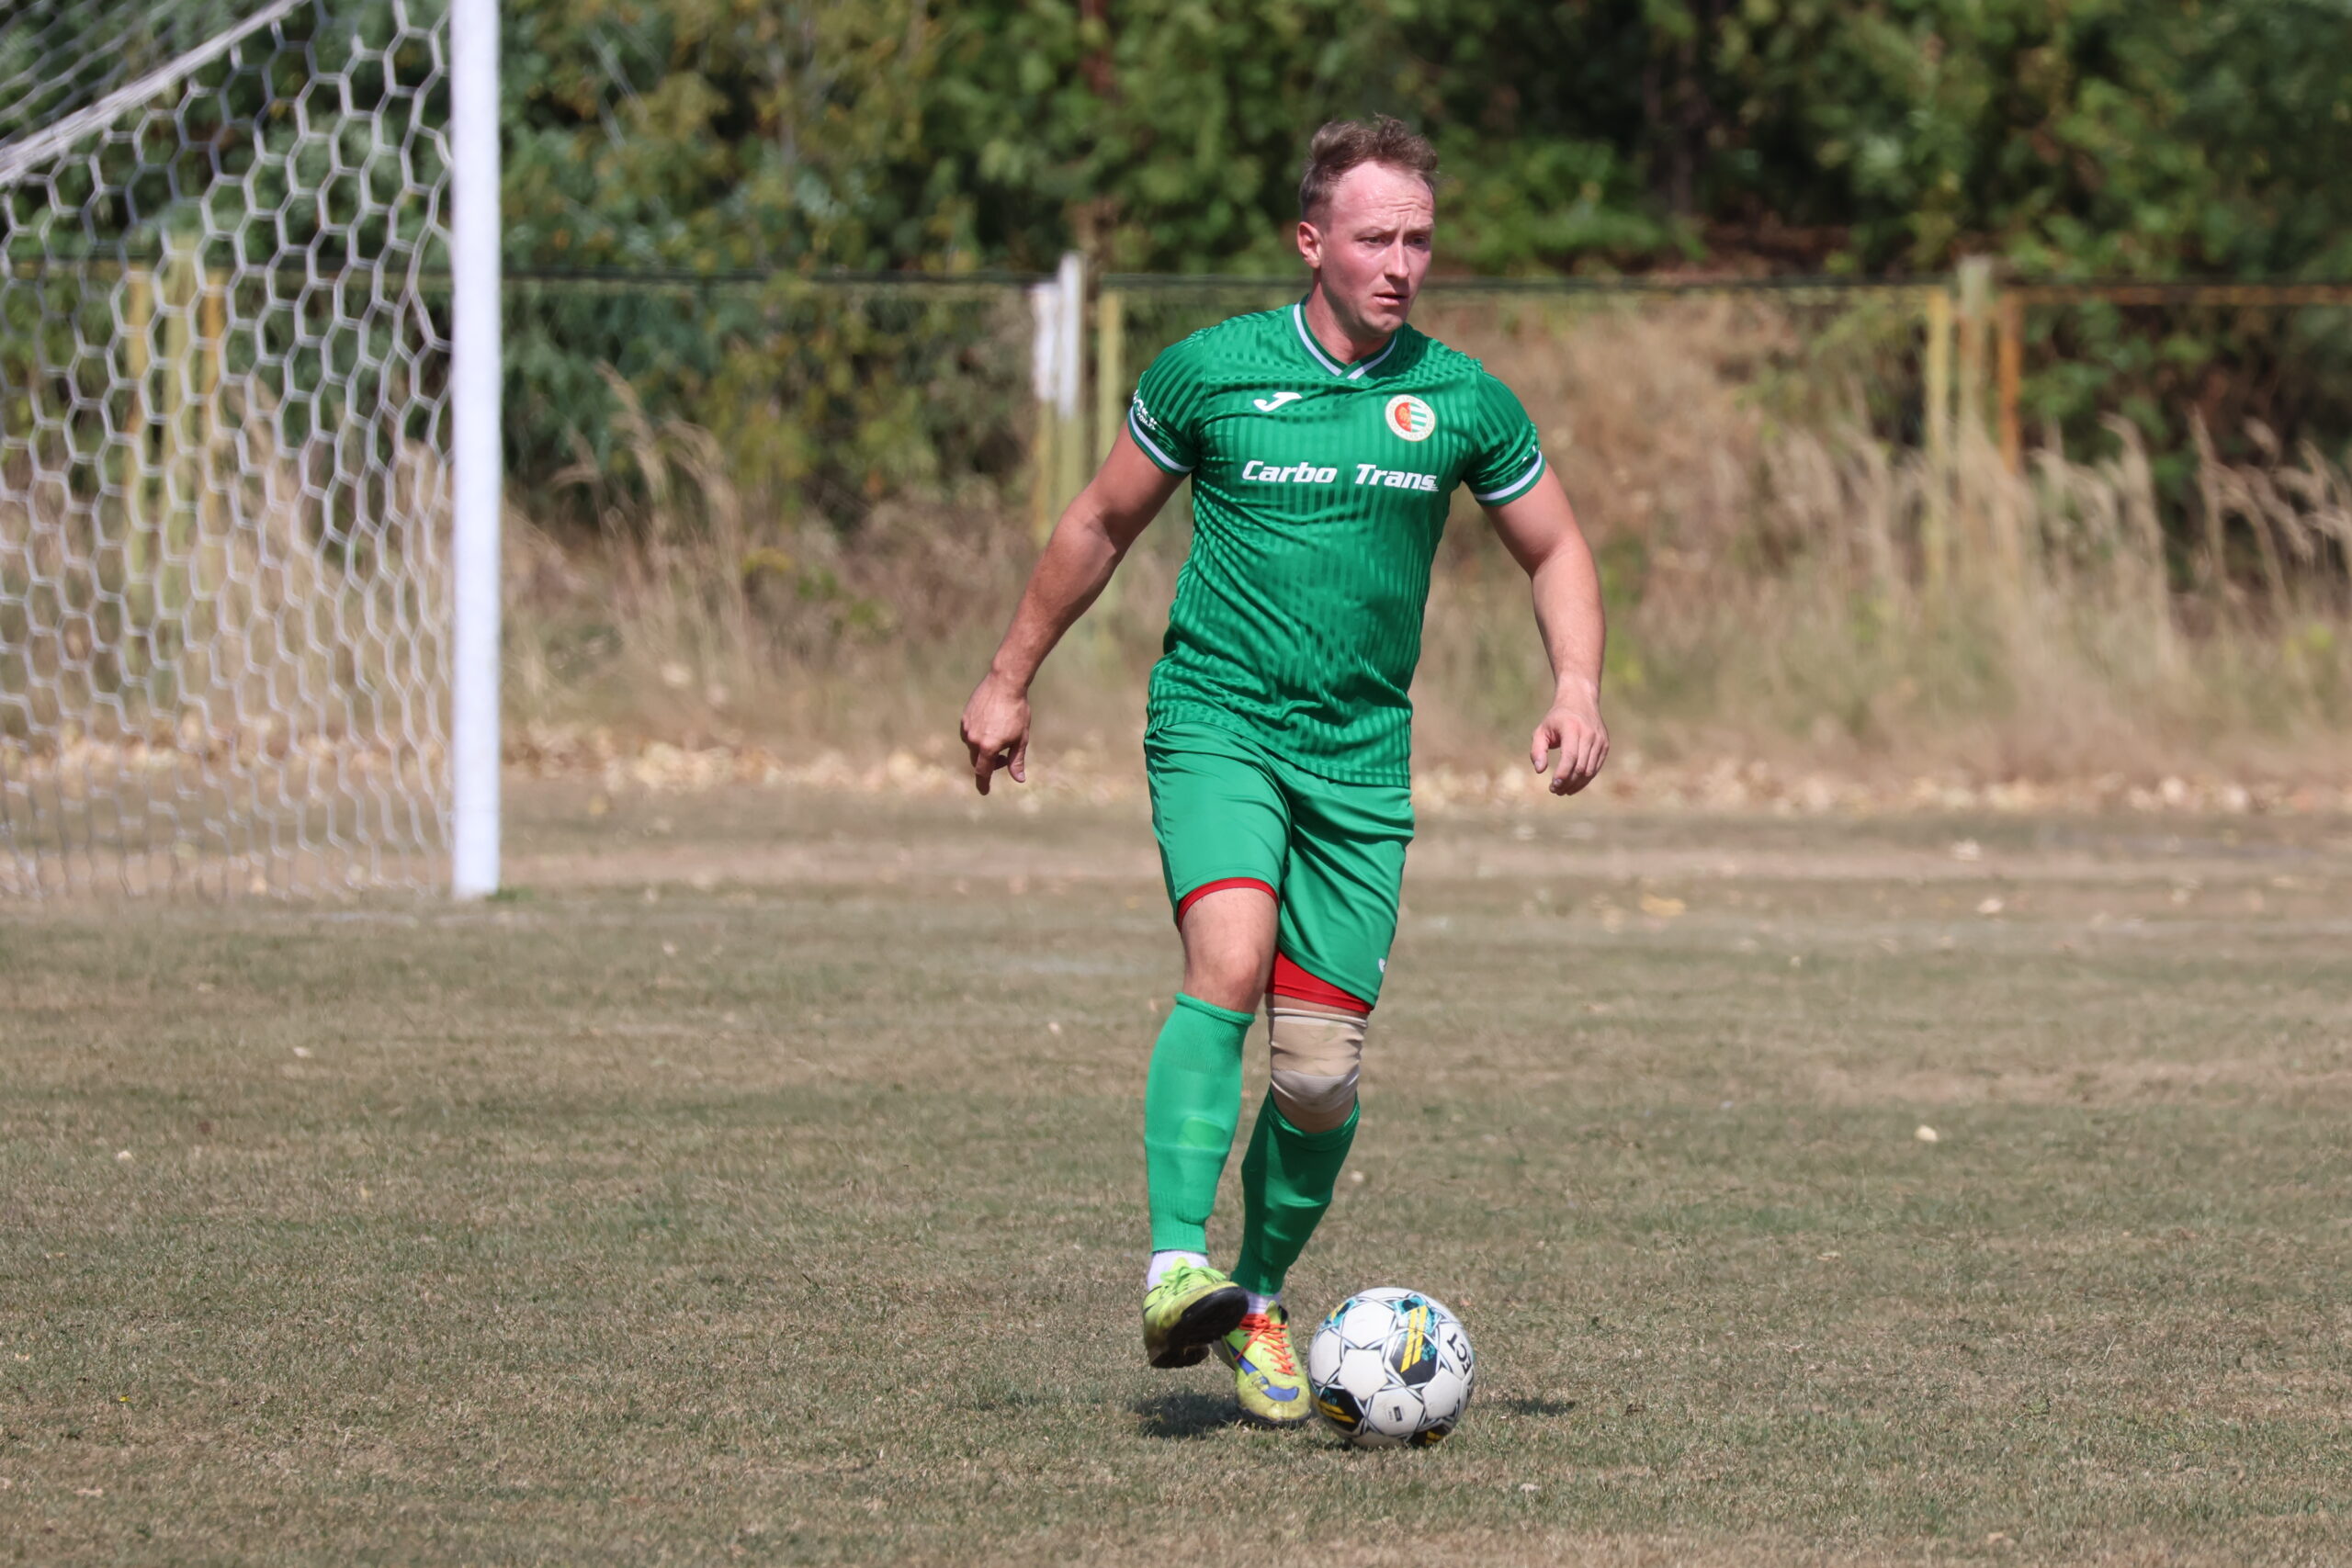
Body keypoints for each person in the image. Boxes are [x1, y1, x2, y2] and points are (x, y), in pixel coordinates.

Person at [959, 117, 1610, 1426]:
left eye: (1420, 239)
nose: (1401, 264)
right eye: (1375, 238)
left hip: (1360, 762)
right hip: (1220, 722)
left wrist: (1576, 687)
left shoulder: (1463, 399)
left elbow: (1554, 547)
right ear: (1312, 241)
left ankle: (1250, 1299)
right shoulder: (1213, 373)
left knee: (1316, 1074)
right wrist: (1009, 675)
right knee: (1231, 955)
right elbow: (1099, 523)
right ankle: (1172, 1266)